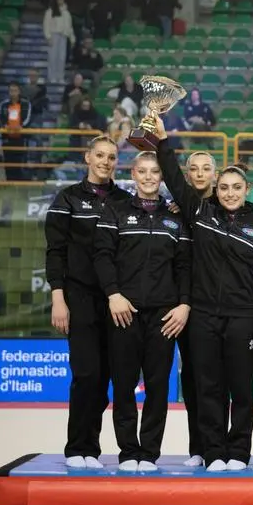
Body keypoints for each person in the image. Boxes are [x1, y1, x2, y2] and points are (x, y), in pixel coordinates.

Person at [153, 117, 253, 472]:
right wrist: (163, 142)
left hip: (242, 319)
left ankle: (238, 452)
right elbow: (175, 180)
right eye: (223, 187)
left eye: (235, 187)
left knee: (240, 390)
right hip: (204, 318)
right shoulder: (201, 215)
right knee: (207, 389)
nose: (228, 193)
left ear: (246, 189)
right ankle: (213, 452)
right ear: (216, 188)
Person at [92, 151, 191, 472]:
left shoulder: (175, 218)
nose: (149, 177)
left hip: (164, 317)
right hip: (124, 311)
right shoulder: (115, 211)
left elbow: (185, 267)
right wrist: (113, 295)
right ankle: (127, 452)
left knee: (158, 387)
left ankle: (148, 453)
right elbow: (102, 256)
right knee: (122, 385)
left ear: (162, 177)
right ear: (133, 174)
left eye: (155, 172)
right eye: (143, 171)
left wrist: (184, 304)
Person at [45, 136, 131, 469]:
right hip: (78, 298)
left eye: (111, 157)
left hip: (114, 301)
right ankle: (77, 447)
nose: (105, 161)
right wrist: (58, 297)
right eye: (99, 155)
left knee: (106, 377)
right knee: (87, 374)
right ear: (87, 157)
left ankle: (90, 449)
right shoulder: (67, 199)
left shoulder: (125, 201)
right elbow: (55, 252)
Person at [177, 150, 220, 468]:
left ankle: (222, 448)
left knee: (218, 381)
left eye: (207, 168)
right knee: (192, 380)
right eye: (194, 169)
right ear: (187, 174)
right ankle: (198, 448)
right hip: (181, 305)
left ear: (215, 175)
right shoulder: (176, 209)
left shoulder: (228, 209)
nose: (201, 173)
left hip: (215, 307)